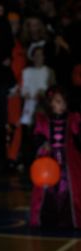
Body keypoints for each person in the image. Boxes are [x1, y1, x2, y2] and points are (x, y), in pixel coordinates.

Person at [30, 85, 81, 228]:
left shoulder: (73, 119)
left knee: (68, 189)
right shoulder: (43, 120)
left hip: (68, 163)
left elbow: (77, 139)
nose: (62, 105)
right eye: (58, 101)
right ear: (50, 103)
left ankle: (69, 220)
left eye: (64, 102)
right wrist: (43, 142)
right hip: (48, 163)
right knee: (48, 189)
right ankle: (47, 219)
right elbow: (36, 137)